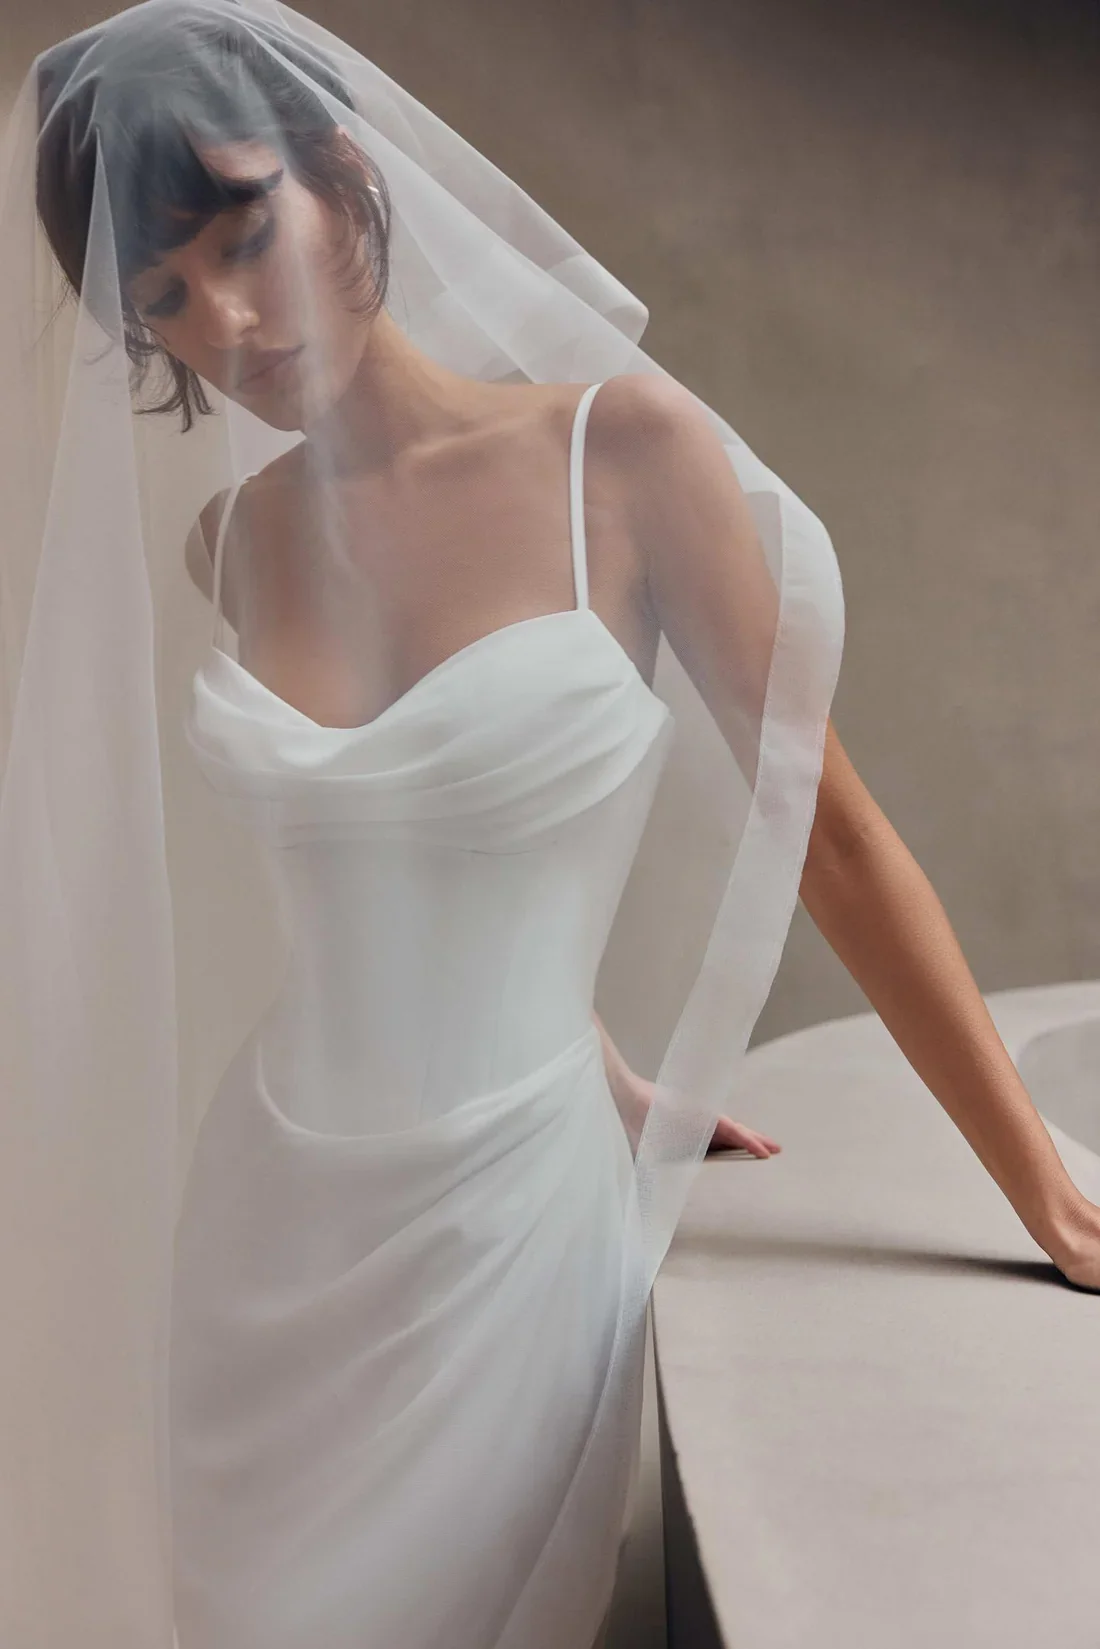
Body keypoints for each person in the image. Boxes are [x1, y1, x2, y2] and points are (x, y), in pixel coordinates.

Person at [1, 3, 1096, 1647]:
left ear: (345, 174)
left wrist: (1052, 1199)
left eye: (243, 231)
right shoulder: (227, 543)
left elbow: (834, 840)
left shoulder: (624, 454)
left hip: (506, 1242)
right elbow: (390, 866)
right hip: (268, 1250)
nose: (227, 317)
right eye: (163, 297)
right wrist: (601, 1045)